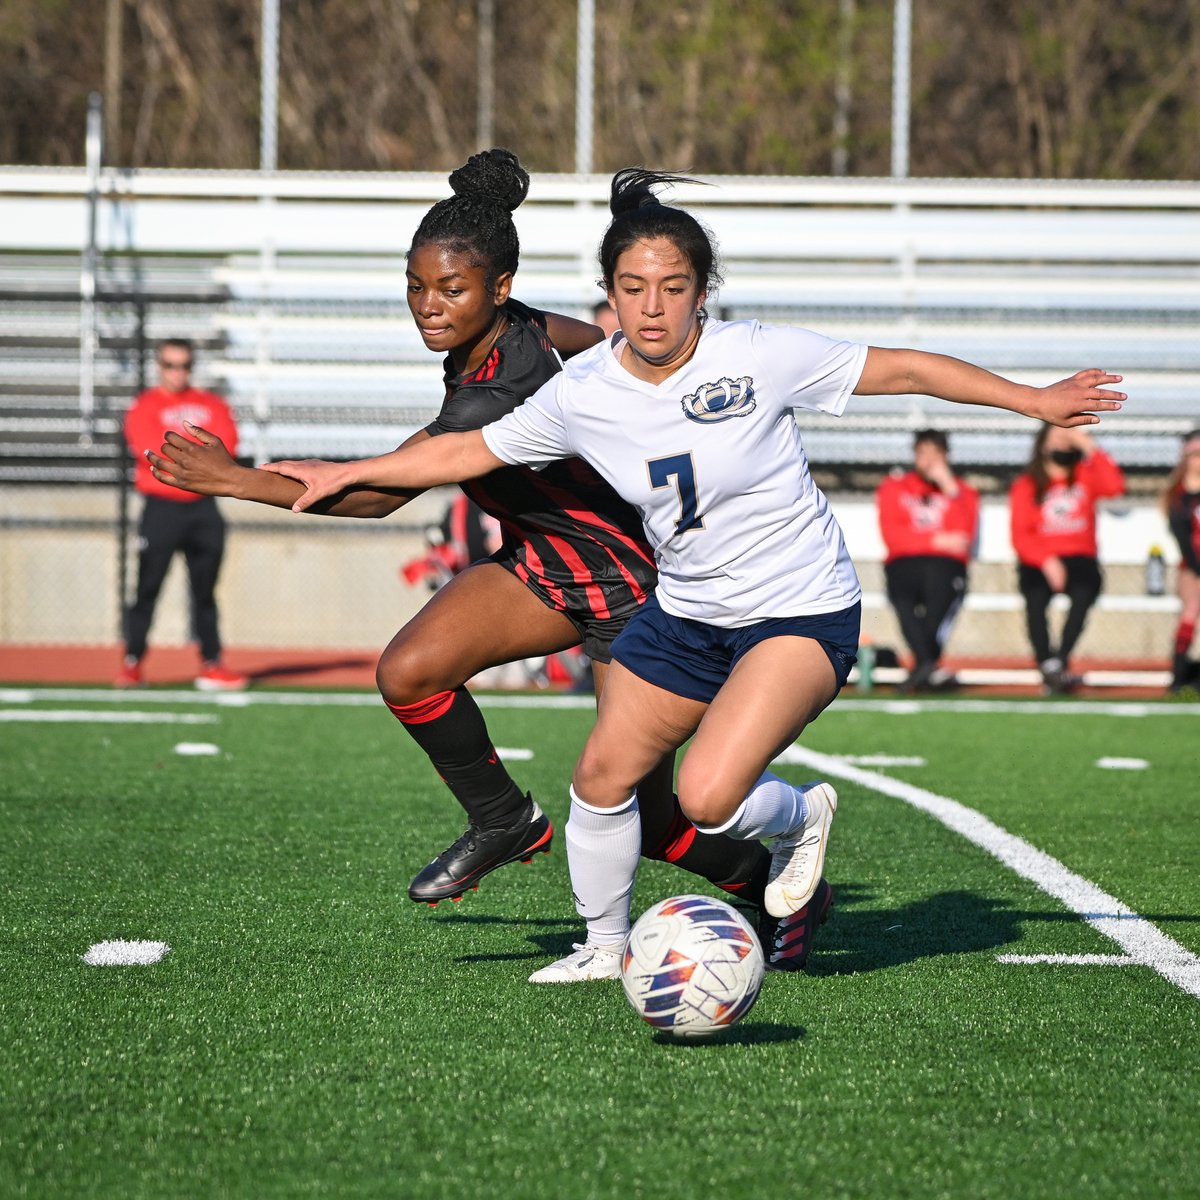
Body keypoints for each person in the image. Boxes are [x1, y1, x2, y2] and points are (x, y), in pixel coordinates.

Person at [252, 168, 1125, 984]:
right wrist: (339, 472)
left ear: (702, 291)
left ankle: (801, 817)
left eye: (673, 288)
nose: (653, 307)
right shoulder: (583, 387)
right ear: (610, 295)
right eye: (633, 289)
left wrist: (1033, 400)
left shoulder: (757, 354)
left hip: (799, 610)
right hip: (685, 615)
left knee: (706, 797)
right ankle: (603, 948)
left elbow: (904, 369)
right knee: (602, 780)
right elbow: (466, 449)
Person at [145, 152, 816, 971]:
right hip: (541, 570)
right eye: (416, 286)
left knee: (648, 812)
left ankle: (767, 879)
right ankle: (503, 818)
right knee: (411, 671)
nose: (429, 307)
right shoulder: (523, 327)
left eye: (451, 290)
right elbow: (588, 338)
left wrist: (232, 480)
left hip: (632, 590)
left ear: (497, 288)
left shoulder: (501, 387)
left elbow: (380, 494)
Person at [116, 339, 247, 692]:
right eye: (171, 365)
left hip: (203, 507)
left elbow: (227, 449)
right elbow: (151, 451)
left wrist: (198, 462)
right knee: (148, 588)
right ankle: (133, 662)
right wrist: (197, 458)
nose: (178, 373)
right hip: (161, 508)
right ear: (159, 366)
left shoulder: (211, 405)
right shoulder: (145, 406)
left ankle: (212, 663)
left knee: (205, 592)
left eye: (184, 365)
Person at [1009, 424, 1125, 694]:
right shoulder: (1027, 484)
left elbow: (1115, 485)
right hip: (1041, 559)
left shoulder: (1085, 475)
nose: (1062, 443)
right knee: (1035, 598)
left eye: (1067, 437)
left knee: (1085, 591)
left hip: (1080, 557)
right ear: (1043, 445)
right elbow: (1020, 535)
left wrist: (1088, 445)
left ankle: (1060, 660)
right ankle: (1046, 662)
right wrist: (1046, 560)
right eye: (1057, 436)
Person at [876, 429, 979, 692]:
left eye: (935, 454)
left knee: (939, 590)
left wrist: (950, 489)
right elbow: (893, 535)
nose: (929, 461)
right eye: (923, 454)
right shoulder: (894, 487)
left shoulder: (963, 492)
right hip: (905, 562)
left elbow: (963, 536)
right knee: (902, 594)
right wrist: (936, 540)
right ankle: (927, 666)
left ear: (946, 457)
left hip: (945, 566)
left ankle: (923, 667)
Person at [1163, 428, 1200, 693]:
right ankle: (1178, 675)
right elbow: (1184, 540)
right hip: (1193, 566)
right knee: (1191, 610)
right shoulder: (1179, 498)